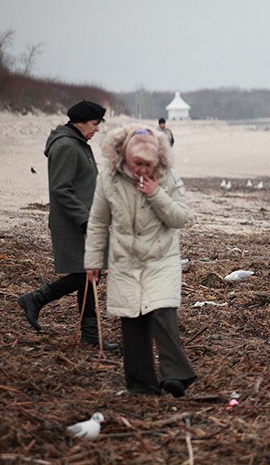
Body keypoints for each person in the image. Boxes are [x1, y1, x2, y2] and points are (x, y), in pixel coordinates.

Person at [85, 126, 196, 397]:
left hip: (161, 259)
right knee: (131, 318)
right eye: (137, 163)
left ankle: (177, 376)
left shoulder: (167, 176)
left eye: (149, 164)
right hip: (125, 260)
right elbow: (99, 222)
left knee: (162, 313)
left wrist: (156, 193)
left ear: (157, 160)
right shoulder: (108, 179)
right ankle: (140, 383)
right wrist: (92, 261)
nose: (143, 170)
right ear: (125, 156)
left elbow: (180, 218)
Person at [17, 100, 118, 350]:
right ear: (80, 122)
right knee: (86, 273)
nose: (97, 129)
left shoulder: (78, 143)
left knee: (91, 273)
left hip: (85, 219)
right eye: (95, 124)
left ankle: (90, 334)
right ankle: (35, 299)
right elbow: (61, 189)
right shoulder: (65, 146)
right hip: (74, 222)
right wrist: (85, 220)